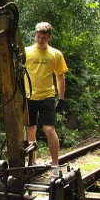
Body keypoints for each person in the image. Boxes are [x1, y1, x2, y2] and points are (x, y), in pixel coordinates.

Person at [24, 22, 68, 171]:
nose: (40, 40)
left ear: (49, 37)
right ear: (35, 35)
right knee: (30, 130)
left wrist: (61, 98)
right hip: (29, 97)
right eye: (38, 37)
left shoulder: (55, 54)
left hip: (47, 96)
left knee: (49, 129)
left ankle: (55, 164)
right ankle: (32, 162)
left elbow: (60, 77)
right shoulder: (26, 52)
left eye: (44, 37)